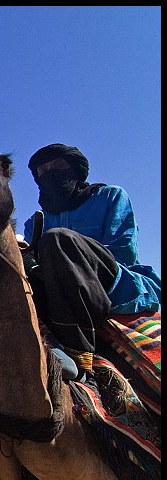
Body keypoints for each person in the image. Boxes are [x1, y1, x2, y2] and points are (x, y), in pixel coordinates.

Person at [22, 143, 161, 376]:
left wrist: (67, 256)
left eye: (57, 165)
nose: (49, 173)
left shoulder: (110, 196)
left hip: (110, 281)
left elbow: (123, 252)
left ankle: (78, 351)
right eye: (42, 171)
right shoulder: (35, 222)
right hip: (52, 290)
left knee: (57, 241)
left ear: (75, 169)